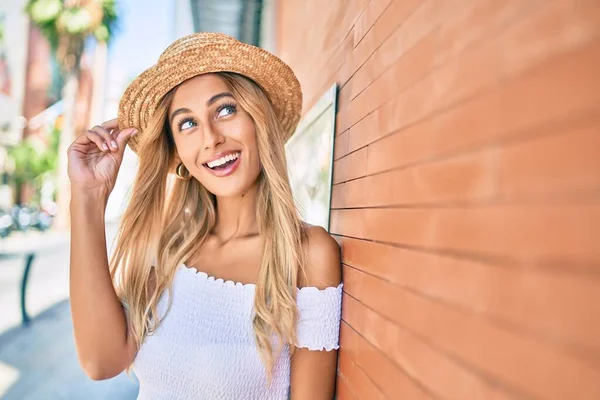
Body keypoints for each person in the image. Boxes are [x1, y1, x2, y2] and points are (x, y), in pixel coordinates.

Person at [67, 32, 343, 399]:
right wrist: (87, 197)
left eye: (225, 110)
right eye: (187, 123)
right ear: (178, 153)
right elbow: (101, 361)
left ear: (259, 120)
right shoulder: (170, 248)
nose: (210, 138)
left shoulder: (308, 254)